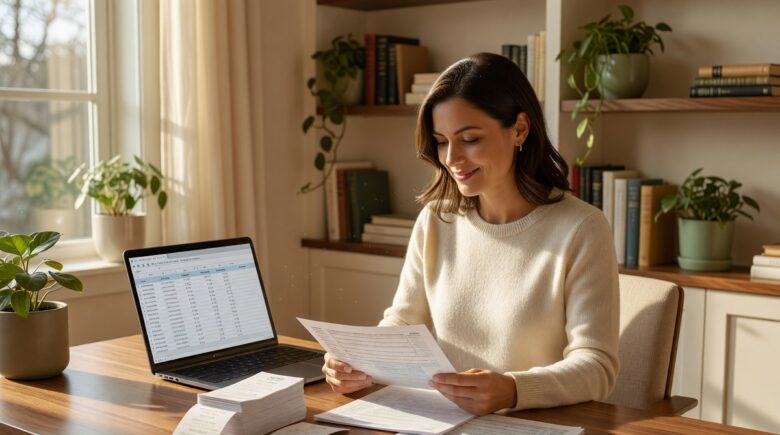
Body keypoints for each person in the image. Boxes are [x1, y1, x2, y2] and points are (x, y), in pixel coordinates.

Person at [321, 52, 619, 415]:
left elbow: (597, 366)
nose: (451, 158)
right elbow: (402, 322)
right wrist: (358, 363)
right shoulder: (436, 219)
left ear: (520, 129)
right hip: (441, 421)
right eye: (442, 141)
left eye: (470, 139)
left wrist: (512, 390)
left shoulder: (582, 228)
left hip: (533, 424)